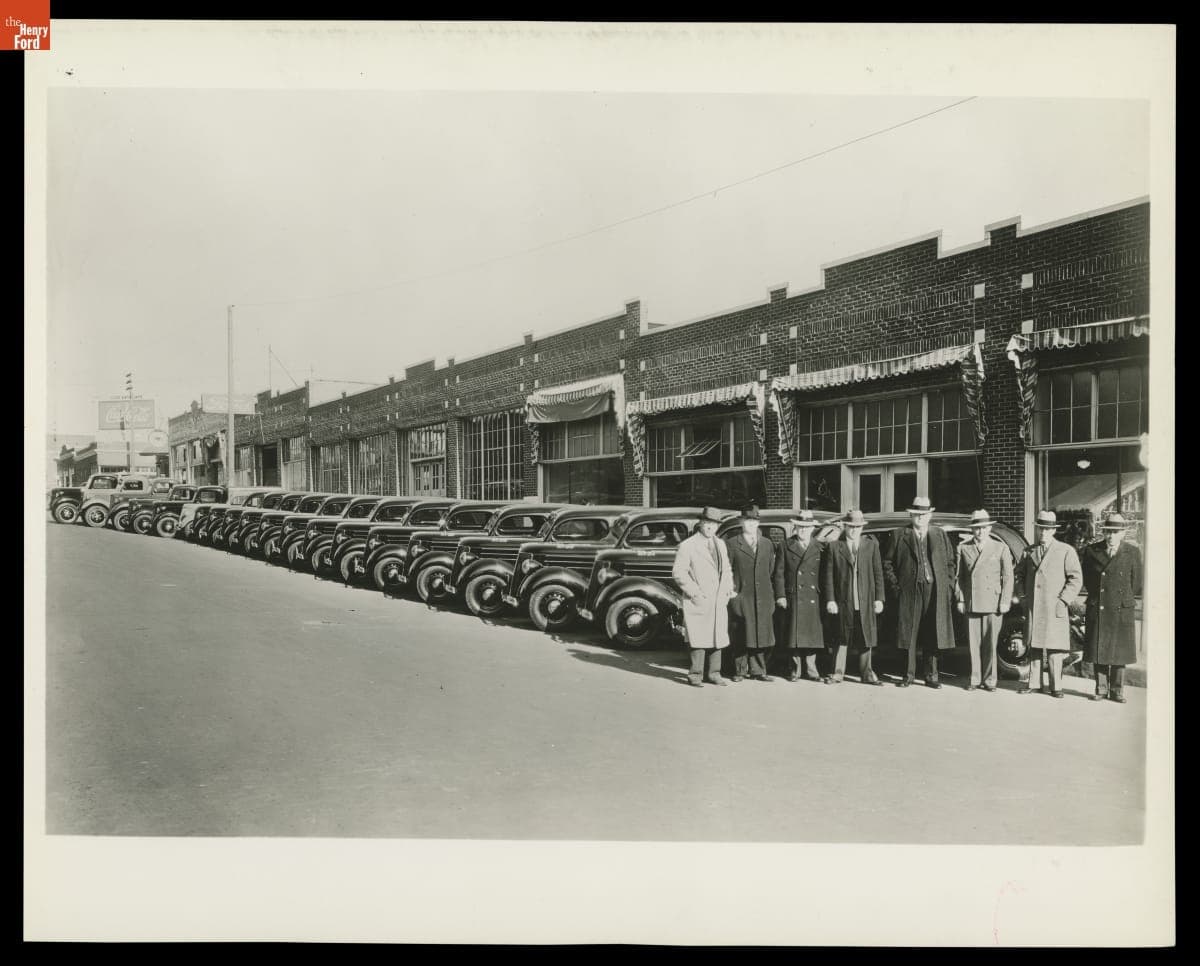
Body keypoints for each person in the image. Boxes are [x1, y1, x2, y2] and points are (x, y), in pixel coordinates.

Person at [884, 496, 958, 689]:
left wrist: (948, 588)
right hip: (909, 592)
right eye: (917, 514)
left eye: (924, 514)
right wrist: (896, 589)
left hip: (934, 590)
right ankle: (907, 675)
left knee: (932, 632)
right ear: (911, 515)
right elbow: (887, 564)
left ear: (930, 515)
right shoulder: (899, 534)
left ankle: (931, 676)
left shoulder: (940, 535)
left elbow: (950, 563)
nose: (920, 518)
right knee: (909, 633)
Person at [1016, 510, 1083, 698]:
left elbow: (1076, 579)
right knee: (1035, 646)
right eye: (1040, 529)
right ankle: (1035, 683)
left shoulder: (1066, 551)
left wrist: (1063, 600)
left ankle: (1056, 686)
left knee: (1054, 648)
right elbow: (1019, 576)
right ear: (1037, 530)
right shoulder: (1029, 551)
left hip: (1055, 606)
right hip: (1034, 607)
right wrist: (1022, 596)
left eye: (1047, 529)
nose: (1043, 533)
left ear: (1053, 530)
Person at [1080, 512, 1143, 704]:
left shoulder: (1132, 552)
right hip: (1099, 605)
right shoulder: (1092, 551)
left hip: (1121, 607)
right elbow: (1088, 581)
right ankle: (1100, 688)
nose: (1111, 536)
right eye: (1108, 532)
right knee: (1100, 647)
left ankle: (1117, 690)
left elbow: (1137, 582)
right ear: (1104, 533)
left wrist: (1123, 598)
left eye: (1115, 532)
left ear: (1123, 533)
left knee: (1119, 649)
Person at [672, 507, 736, 688]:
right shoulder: (688, 545)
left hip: (718, 599)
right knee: (698, 638)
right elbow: (679, 573)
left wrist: (728, 588)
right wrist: (695, 593)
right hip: (699, 598)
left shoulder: (720, 544)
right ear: (700, 523)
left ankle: (714, 673)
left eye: (714, 524)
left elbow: (727, 569)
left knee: (717, 637)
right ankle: (695, 675)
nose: (710, 528)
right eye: (707, 523)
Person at [954, 509, 1015, 692]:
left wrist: (1005, 600)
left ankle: (990, 680)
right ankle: (974, 678)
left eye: (983, 528)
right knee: (973, 644)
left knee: (990, 643)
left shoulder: (1000, 548)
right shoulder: (963, 547)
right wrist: (961, 599)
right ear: (972, 530)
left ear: (989, 528)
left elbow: (1008, 577)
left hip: (993, 602)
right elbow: (959, 577)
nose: (980, 532)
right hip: (972, 601)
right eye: (976, 528)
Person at [823, 508, 885, 685]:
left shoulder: (871, 546)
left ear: (862, 528)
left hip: (865, 600)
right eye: (850, 526)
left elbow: (878, 573)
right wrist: (830, 600)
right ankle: (837, 673)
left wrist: (879, 598)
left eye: (857, 527)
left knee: (866, 636)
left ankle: (867, 673)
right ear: (845, 526)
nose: (854, 530)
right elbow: (828, 576)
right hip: (844, 600)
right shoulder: (835, 546)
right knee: (841, 636)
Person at [773, 509, 828, 683]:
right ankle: (794, 669)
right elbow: (779, 573)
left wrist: (826, 597)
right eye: (800, 527)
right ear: (795, 527)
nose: (803, 530)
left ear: (812, 528)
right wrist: (780, 595)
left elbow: (825, 575)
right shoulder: (785, 545)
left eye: (807, 527)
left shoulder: (820, 547)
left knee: (812, 634)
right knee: (794, 635)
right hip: (794, 595)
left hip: (813, 596)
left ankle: (812, 670)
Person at [725, 504, 777, 682]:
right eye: (747, 521)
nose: (751, 525)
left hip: (762, 595)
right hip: (741, 595)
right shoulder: (732, 543)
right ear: (741, 522)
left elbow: (771, 569)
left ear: (758, 523)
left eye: (754, 521)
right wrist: (732, 592)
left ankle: (758, 670)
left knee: (760, 633)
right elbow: (727, 570)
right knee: (741, 633)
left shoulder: (767, 544)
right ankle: (739, 670)